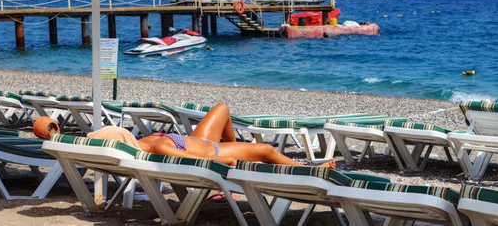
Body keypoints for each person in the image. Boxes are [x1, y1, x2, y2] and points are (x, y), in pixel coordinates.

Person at [87, 103, 336, 168]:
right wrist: (227, 163)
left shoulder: (143, 143)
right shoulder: (156, 149)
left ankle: (237, 145)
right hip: (214, 151)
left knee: (222, 109)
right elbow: (196, 162)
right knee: (266, 151)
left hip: (201, 139)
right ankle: (310, 169)